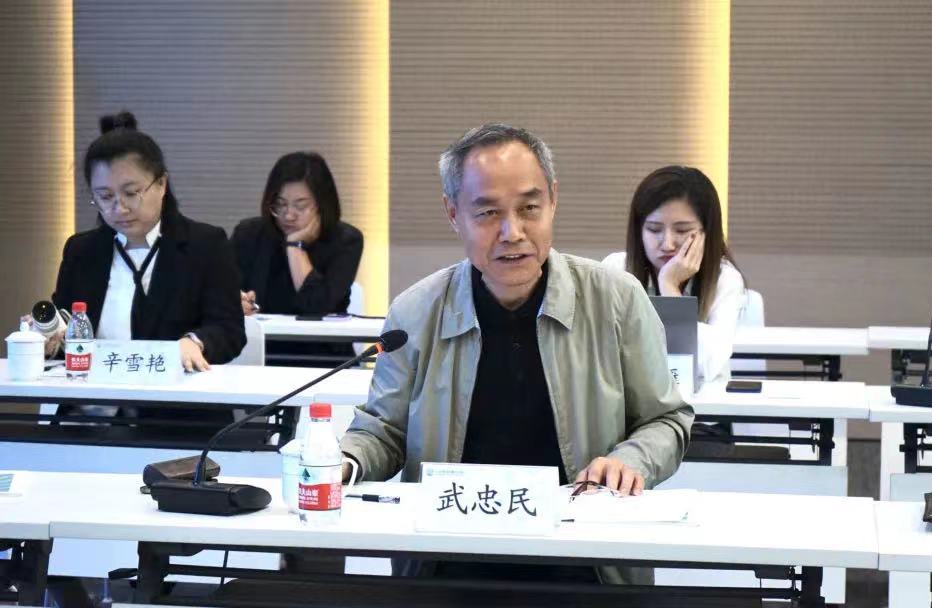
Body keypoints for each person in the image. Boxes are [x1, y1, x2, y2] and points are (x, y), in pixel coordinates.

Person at [340, 124, 693, 585]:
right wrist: (343, 460)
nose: (513, 232)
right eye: (488, 213)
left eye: (529, 208)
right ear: (453, 214)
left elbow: (666, 419)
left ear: (553, 201)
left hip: (586, 563)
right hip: (447, 562)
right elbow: (384, 431)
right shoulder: (416, 311)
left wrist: (631, 460)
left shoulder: (616, 299)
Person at [46, 111, 245, 417]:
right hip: (88, 416)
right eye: (105, 196)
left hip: (175, 418)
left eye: (131, 193)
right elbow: (67, 328)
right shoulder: (82, 250)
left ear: (161, 184)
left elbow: (229, 329)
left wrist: (195, 342)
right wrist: (47, 337)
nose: (119, 208)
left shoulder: (205, 245)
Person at [602, 166, 747, 384]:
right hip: (632, 401)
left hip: (703, 403)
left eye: (682, 230)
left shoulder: (725, 279)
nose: (667, 244)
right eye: (653, 229)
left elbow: (707, 363)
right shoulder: (616, 269)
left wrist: (669, 287)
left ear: (707, 232)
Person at [230, 152, 363, 364]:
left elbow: (315, 306)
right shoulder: (248, 234)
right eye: (280, 205)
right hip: (258, 357)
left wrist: (294, 246)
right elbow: (220, 292)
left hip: (323, 360)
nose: (288, 215)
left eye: (300, 206)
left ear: (322, 205)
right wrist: (236, 301)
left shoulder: (346, 241)